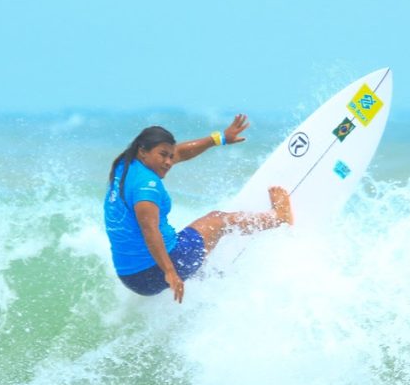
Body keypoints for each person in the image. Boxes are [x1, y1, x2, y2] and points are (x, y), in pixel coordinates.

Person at [103, 114, 294, 303]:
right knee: (217, 220)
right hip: (154, 272)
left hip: (129, 275)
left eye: (170, 156)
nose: (169, 162)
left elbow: (181, 153)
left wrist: (220, 138)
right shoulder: (146, 186)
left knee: (195, 252)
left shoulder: (125, 165)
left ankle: (206, 282)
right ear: (143, 151)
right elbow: (150, 231)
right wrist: (170, 272)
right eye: (163, 155)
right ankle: (278, 218)